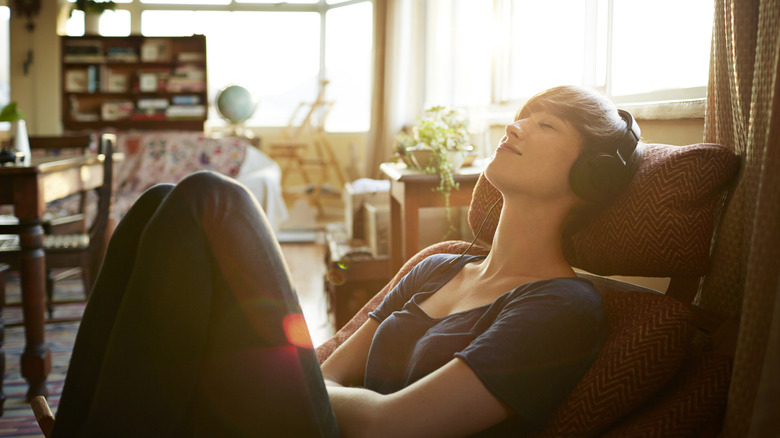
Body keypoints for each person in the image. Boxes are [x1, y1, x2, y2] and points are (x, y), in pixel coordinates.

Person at [53, 85, 642, 438]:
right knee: (158, 204)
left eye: (546, 124)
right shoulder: (437, 267)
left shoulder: (562, 306)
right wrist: (275, 379)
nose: (515, 124)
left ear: (590, 176)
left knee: (213, 197)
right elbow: (327, 370)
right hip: (310, 422)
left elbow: (394, 427)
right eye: (523, 112)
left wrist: (265, 378)